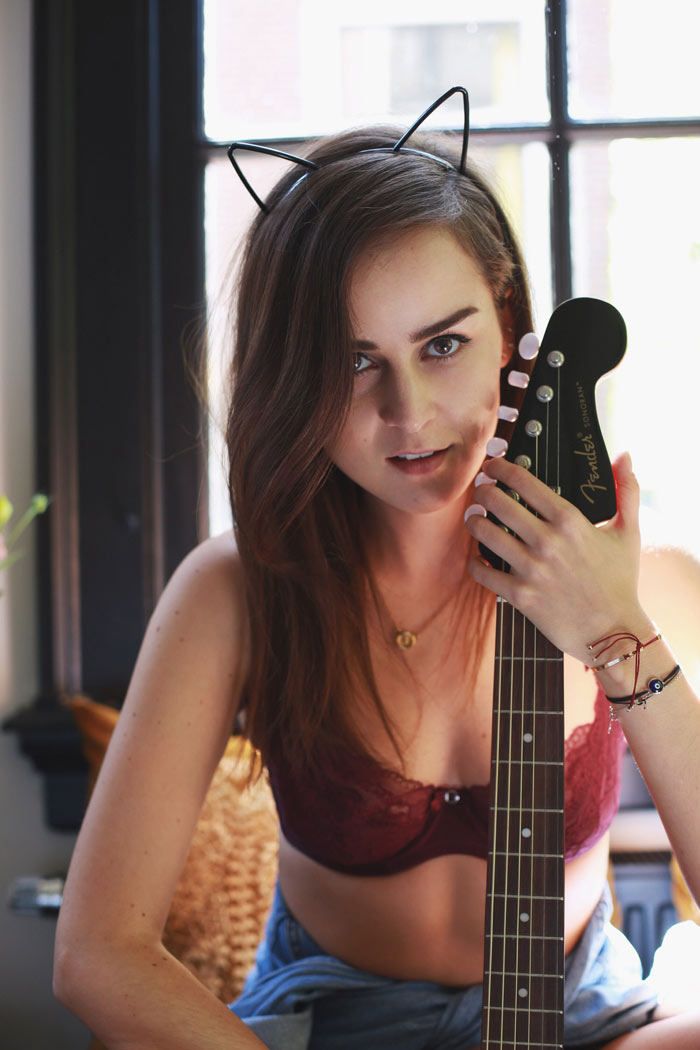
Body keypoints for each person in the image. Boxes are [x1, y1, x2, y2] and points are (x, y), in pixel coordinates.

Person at [54, 88, 700, 1049]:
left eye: (443, 344)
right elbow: (96, 954)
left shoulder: (646, 579)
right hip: (329, 1024)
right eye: (354, 363)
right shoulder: (238, 590)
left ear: (507, 321)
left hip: (580, 1020)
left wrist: (617, 630)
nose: (410, 413)